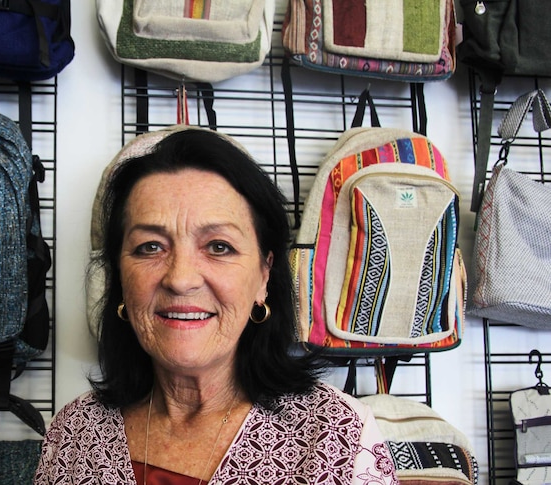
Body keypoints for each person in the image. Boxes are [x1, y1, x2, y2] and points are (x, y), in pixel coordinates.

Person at [34, 126, 399, 484]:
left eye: (218, 247)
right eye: (150, 247)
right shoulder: (73, 433)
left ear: (264, 275)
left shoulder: (337, 439)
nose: (180, 278)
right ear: (120, 279)